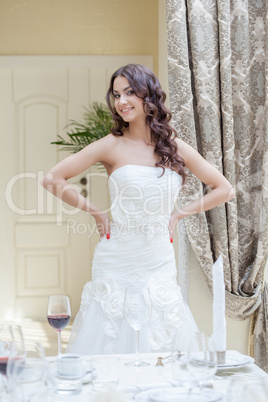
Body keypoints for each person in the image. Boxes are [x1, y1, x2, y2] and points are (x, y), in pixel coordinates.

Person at [41, 64, 234, 355]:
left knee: (162, 336)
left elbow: (224, 189)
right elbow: (52, 178)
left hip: (157, 257)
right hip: (117, 257)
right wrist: (96, 212)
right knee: (110, 335)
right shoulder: (111, 145)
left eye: (130, 92)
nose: (121, 101)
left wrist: (180, 213)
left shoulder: (174, 147)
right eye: (117, 94)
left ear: (150, 96)